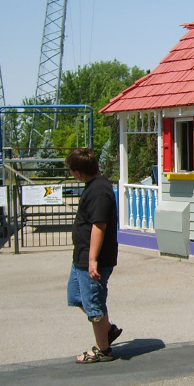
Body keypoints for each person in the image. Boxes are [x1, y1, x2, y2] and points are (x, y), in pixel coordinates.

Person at [65, 148, 122, 363]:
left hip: (93, 260)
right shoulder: (93, 186)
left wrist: (92, 260)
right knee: (77, 297)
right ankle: (108, 330)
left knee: (94, 304)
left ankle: (103, 350)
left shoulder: (99, 191)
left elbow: (99, 226)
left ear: (78, 173)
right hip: (80, 257)